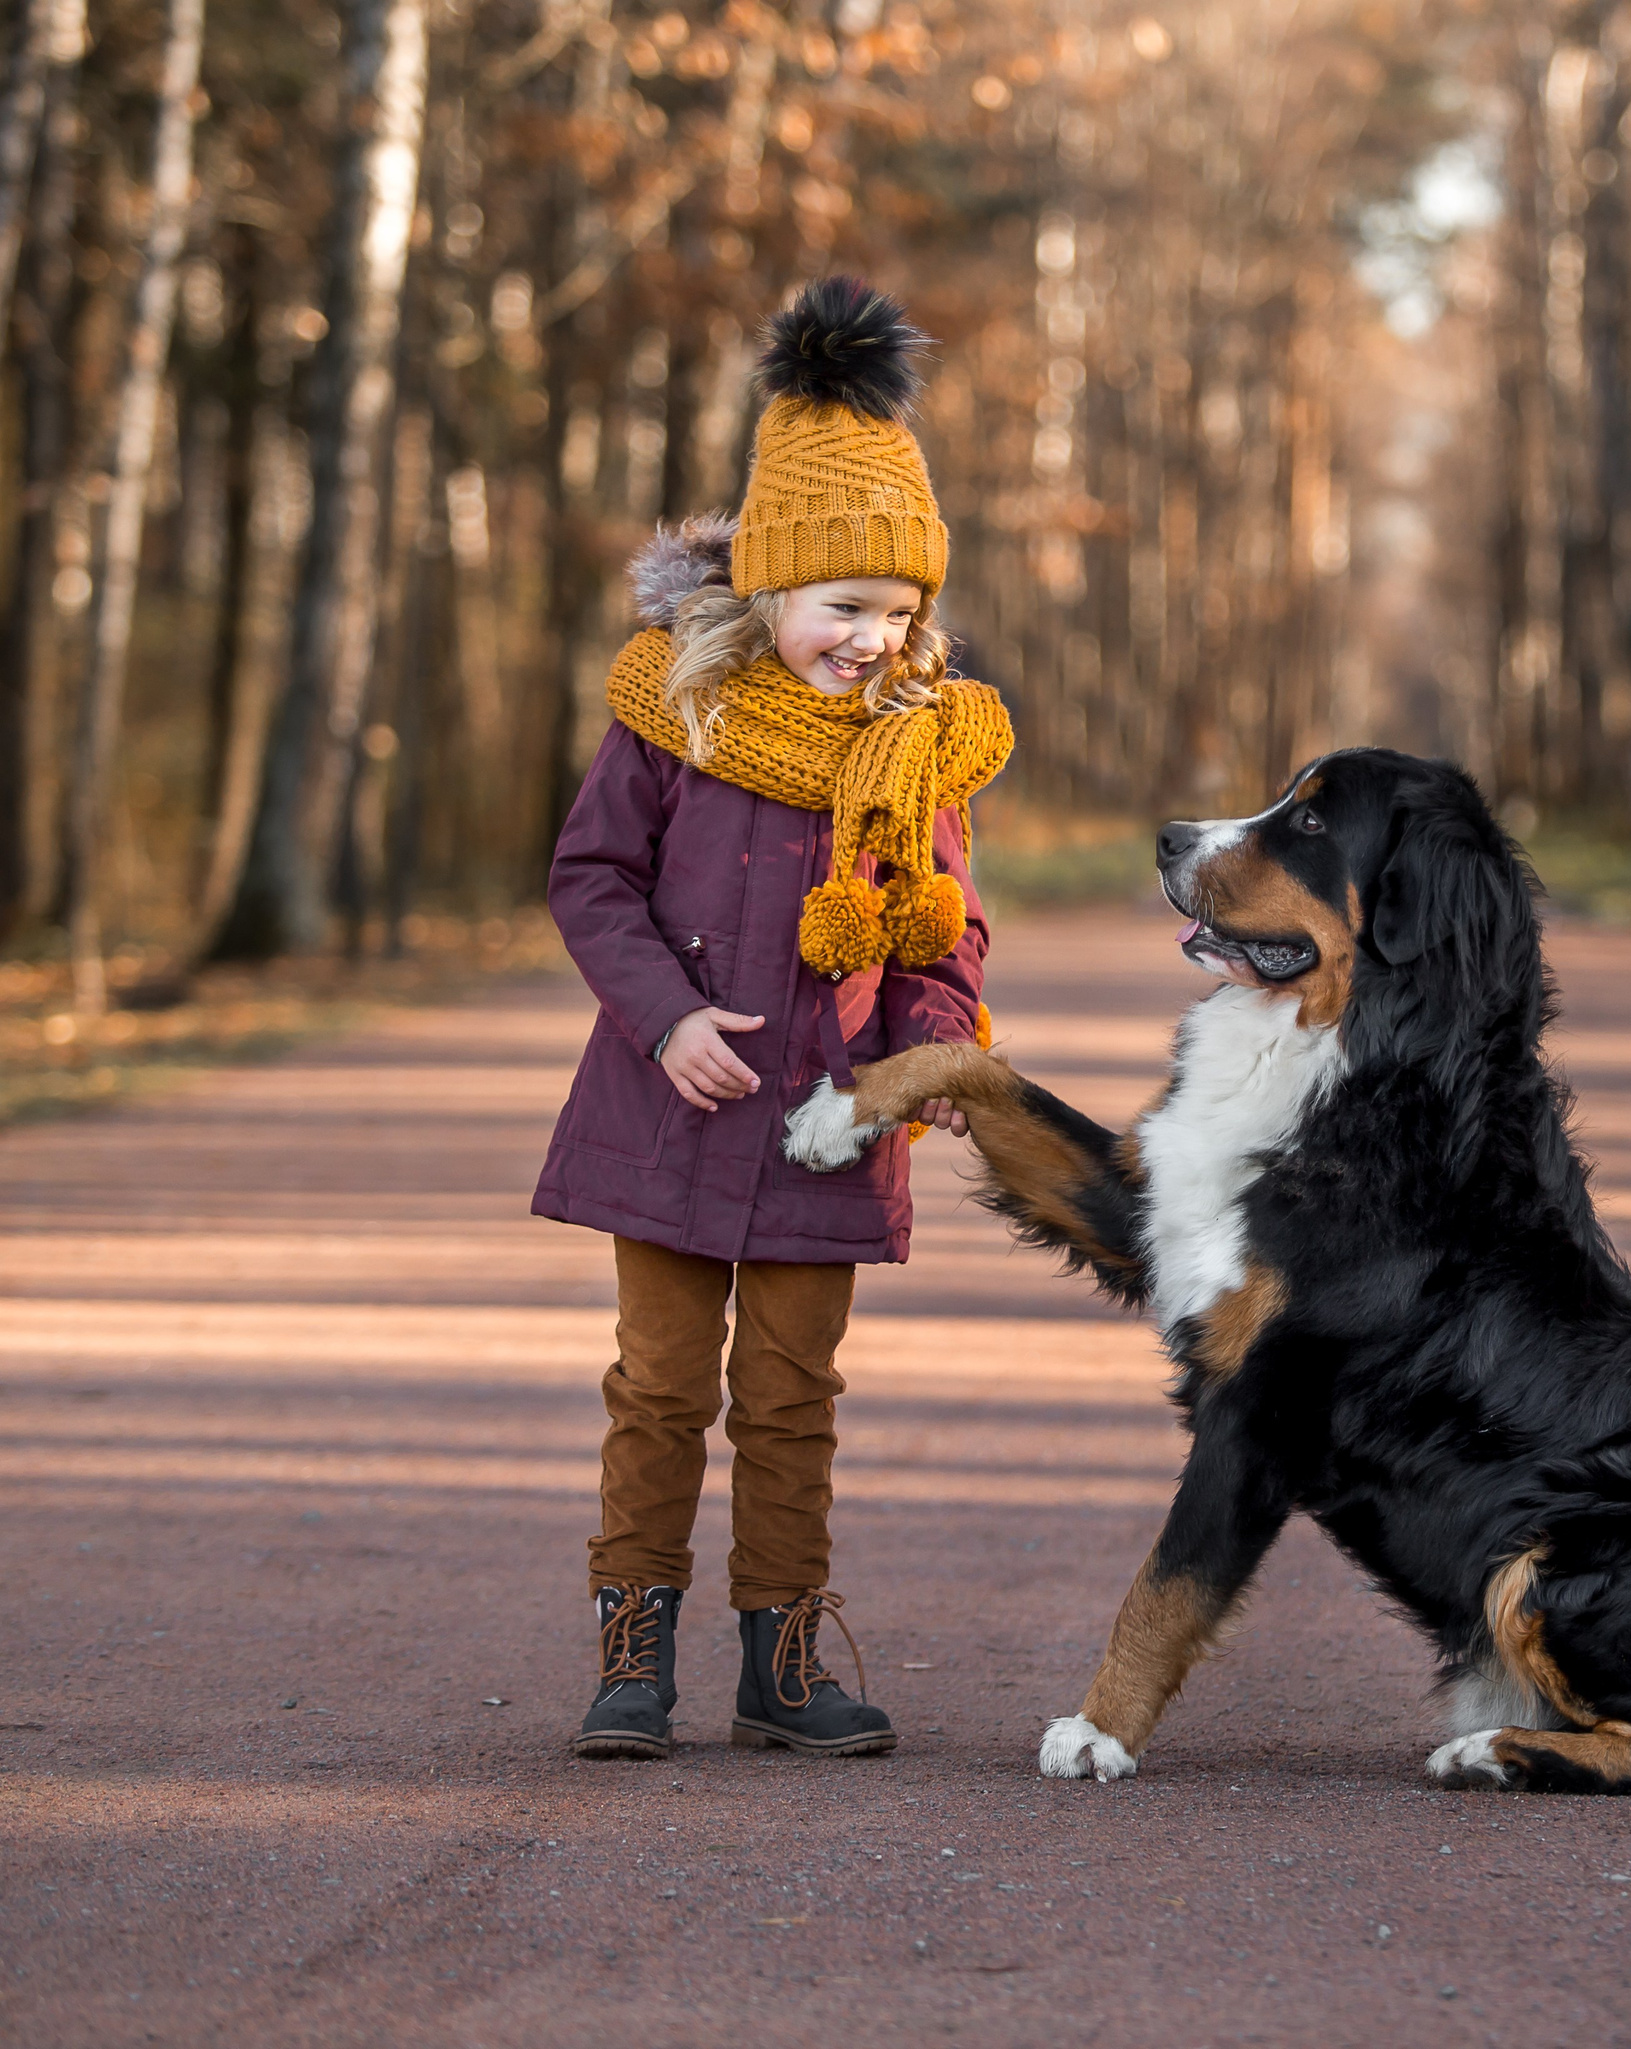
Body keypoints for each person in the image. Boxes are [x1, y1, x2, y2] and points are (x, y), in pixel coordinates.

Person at [533, 276, 1011, 1762]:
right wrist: (666, 1014)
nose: (873, 639)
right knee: (661, 1386)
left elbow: (949, 925)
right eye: (844, 606)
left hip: (822, 1124)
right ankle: (633, 1648)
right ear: (770, 590)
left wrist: (925, 1056)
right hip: (670, 1108)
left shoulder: (917, 752)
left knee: (793, 1395)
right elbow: (591, 875)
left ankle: (783, 1655)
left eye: (899, 611)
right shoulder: (677, 716)